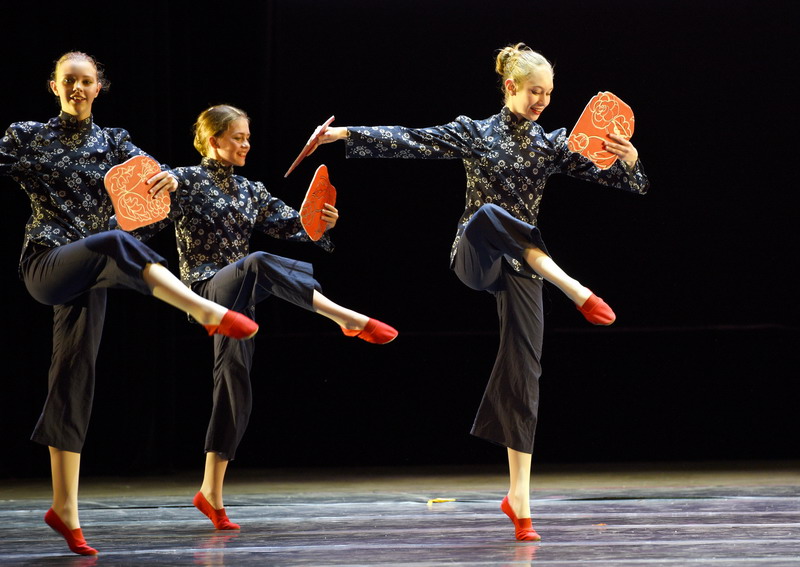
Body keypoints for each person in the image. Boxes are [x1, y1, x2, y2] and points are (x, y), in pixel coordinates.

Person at [309, 43, 649, 541]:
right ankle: (573, 286)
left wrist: (631, 161)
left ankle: (519, 500)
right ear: (510, 87)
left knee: (524, 368)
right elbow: (412, 139)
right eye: (535, 92)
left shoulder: (552, 145)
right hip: (475, 255)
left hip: (525, 266)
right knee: (489, 215)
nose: (543, 102)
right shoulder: (475, 132)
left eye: (550, 94)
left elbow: (631, 185)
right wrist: (343, 133)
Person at [0, 52, 258, 556]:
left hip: (92, 277)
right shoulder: (26, 135)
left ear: (100, 87)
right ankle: (204, 311)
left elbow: (154, 178)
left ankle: (65, 510)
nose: (78, 88)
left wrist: (172, 178)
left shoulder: (115, 142)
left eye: (86, 81)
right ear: (54, 87)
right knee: (112, 241)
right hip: (47, 264)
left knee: (75, 372)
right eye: (68, 81)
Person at [132, 104, 398, 531]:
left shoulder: (250, 191)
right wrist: (169, 182)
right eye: (238, 137)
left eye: (248, 137)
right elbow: (146, 205)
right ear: (214, 139)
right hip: (204, 290)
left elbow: (297, 227)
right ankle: (343, 317)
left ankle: (211, 493)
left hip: (240, 301)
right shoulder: (186, 179)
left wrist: (321, 224)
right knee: (257, 261)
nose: (246, 144)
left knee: (234, 382)